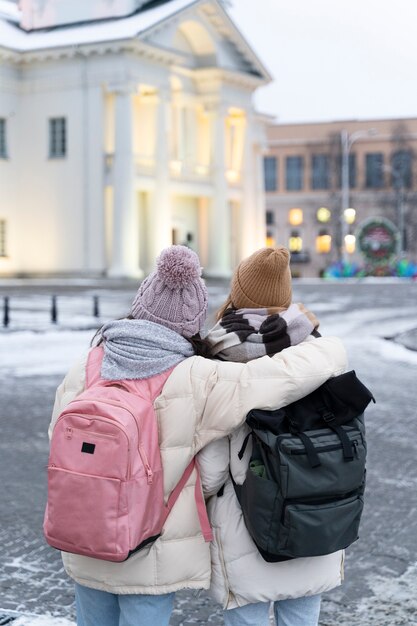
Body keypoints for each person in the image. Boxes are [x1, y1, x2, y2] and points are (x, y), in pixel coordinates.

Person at [48, 245, 347, 626]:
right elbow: (277, 380)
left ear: (141, 303)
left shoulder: (88, 363)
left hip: (84, 527)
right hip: (149, 545)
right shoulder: (193, 377)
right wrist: (331, 349)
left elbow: (56, 434)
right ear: (192, 322)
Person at [198, 246, 345, 626]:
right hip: (317, 514)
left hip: (248, 523)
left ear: (239, 293)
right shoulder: (316, 348)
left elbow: (211, 469)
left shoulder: (221, 358)